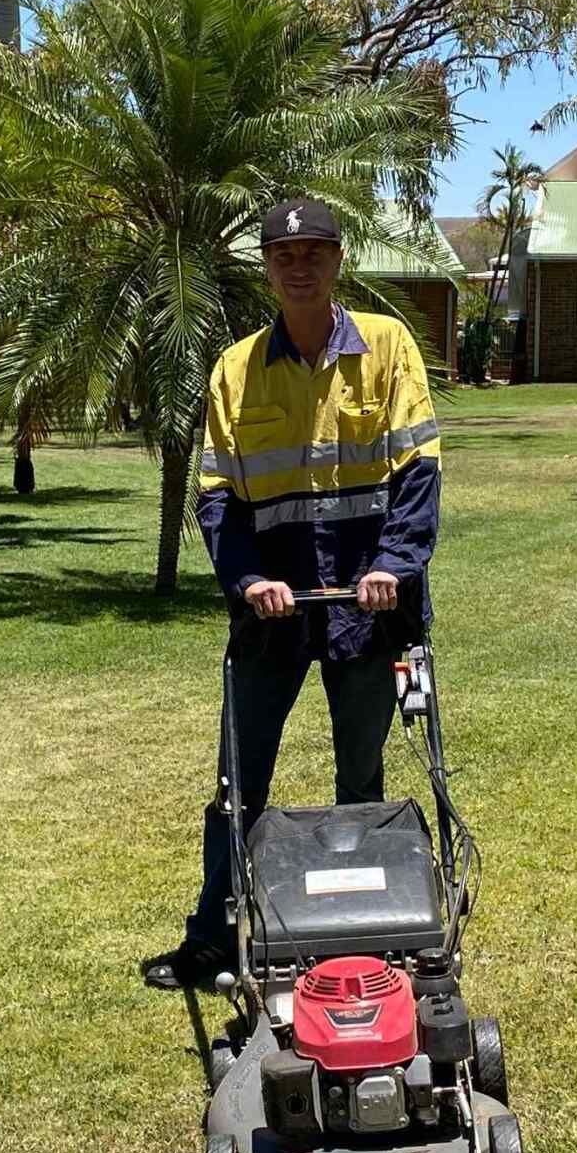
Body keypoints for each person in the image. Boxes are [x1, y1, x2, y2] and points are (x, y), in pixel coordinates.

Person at [141, 196, 442, 990]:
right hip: (274, 612)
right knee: (239, 784)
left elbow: (417, 473)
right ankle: (213, 936)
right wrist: (249, 579)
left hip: (367, 608)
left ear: (339, 259)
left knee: (362, 782)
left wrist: (392, 566)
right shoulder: (236, 368)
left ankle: (367, 939)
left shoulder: (387, 347)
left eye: (314, 251)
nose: (299, 264)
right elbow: (217, 496)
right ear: (268, 269)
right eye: (284, 254)